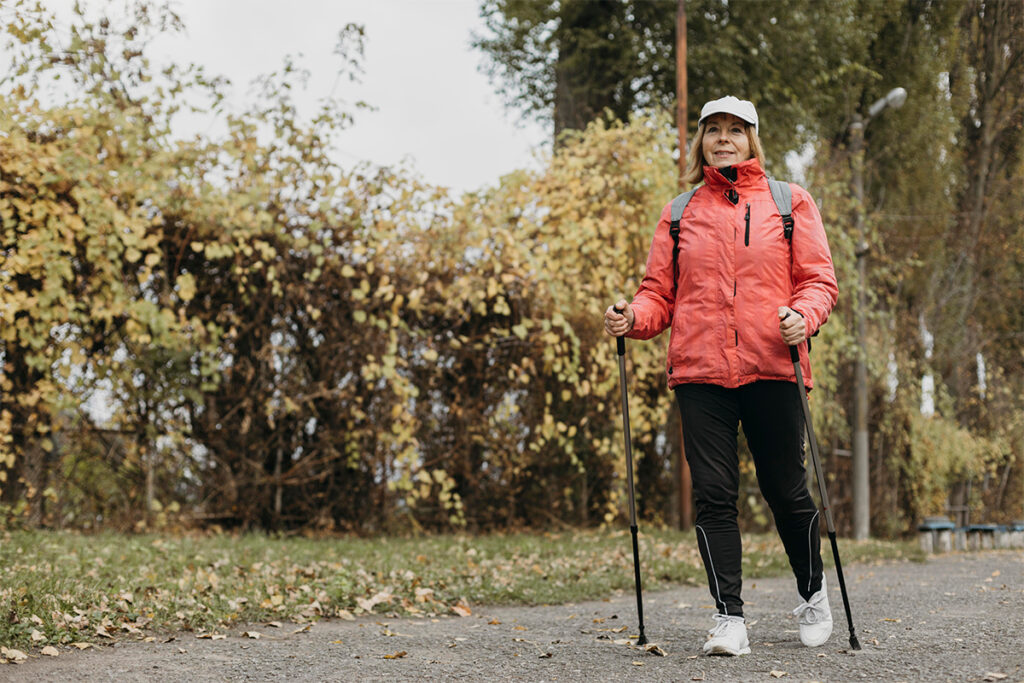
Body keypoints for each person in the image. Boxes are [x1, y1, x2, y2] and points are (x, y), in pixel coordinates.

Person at [604, 96, 839, 656]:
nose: (724, 139)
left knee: (787, 491)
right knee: (713, 495)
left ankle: (813, 592)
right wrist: (633, 317)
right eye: (714, 130)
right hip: (701, 373)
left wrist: (801, 317)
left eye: (736, 130)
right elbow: (659, 293)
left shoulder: (790, 203)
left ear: (753, 139)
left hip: (772, 368)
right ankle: (728, 618)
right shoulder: (680, 211)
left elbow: (819, 281)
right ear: (701, 141)